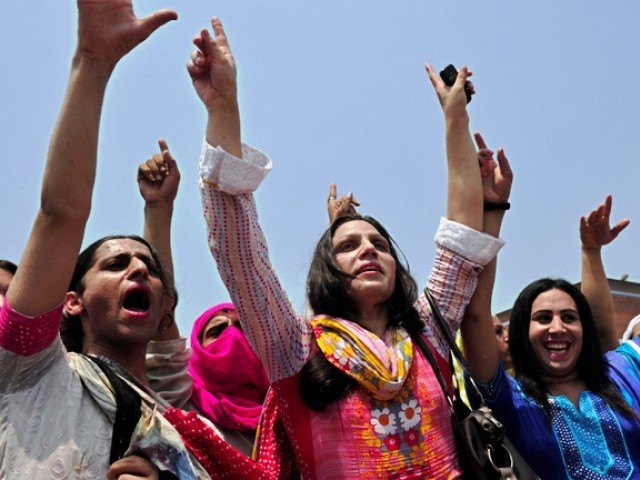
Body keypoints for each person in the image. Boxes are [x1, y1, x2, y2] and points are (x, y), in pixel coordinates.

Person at [189, 17, 505, 478]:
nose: (368, 250)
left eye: (379, 243)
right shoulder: (294, 347)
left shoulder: (427, 335)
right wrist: (223, 110)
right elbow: (240, 256)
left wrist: (456, 121)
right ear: (326, 271)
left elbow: (460, 238)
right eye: (349, 245)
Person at [0, 1, 214, 478]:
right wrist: (92, 63)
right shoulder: (31, 370)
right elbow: (61, 216)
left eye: (147, 268)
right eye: (114, 265)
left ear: (164, 312)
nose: (138, 269)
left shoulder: (189, 436)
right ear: (70, 301)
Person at [461, 195, 640, 479]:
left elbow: (606, 333)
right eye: (543, 319)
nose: (558, 328)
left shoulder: (622, 372)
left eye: (569, 318)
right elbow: (475, 315)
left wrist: (591, 252)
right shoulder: (511, 400)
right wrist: (492, 210)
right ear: (521, 333)